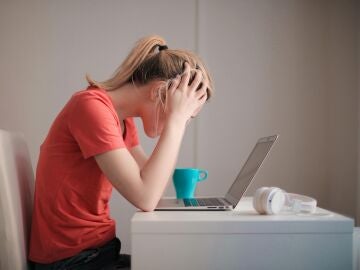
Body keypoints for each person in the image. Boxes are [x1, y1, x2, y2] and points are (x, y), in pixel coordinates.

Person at [28, 35, 214, 269]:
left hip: (98, 252)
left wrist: (177, 119)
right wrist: (176, 122)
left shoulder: (123, 121)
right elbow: (145, 197)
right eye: (185, 113)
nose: (183, 122)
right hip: (70, 261)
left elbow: (153, 190)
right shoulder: (91, 108)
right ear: (158, 92)